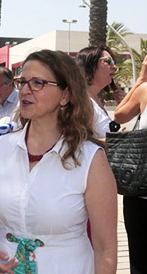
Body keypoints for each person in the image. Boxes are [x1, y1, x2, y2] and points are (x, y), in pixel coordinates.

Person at [0, 50, 117, 274]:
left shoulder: (91, 159)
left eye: (38, 83)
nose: (25, 91)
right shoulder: (3, 147)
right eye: (22, 82)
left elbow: (104, 248)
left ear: (65, 96)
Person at [113, 55, 147, 274]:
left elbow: (119, 116)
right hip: (140, 196)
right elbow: (119, 116)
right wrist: (142, 78)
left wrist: (143, 77)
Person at [76, 45, 118, 138]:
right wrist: (113, 142)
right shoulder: (81, 102)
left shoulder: (94, 100)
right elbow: (78, 142)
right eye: (108, 61)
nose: (114, 67)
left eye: (114, 62)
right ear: (90, 65)